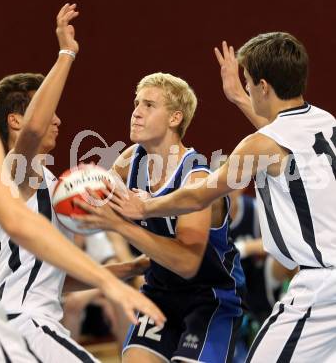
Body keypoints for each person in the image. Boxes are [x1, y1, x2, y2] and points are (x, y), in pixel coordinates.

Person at [80, 33, 336, 362]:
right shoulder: (323, 121)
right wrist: (238, 98)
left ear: (263, 87)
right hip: (319, 277)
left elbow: (200, 196)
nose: (137, 112)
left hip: (319, 282)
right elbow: (279, 136)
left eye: (247, 83)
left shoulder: (251, 148)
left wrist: (145, 206)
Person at [0, 3, 164, 362]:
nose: (58, 119)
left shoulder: (46, 183)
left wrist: (129, 269)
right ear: (14, 121)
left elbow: (56, 281)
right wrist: (66, 53)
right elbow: (36, 127)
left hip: (27, 321)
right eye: (47, 108)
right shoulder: (14, 173)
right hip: (21, 324)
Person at [74, 72, 245, 362]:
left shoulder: (196, 177)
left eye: (149, 106)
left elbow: (187, 263)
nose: (136, 113)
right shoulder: (130, 160)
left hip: (209, 299)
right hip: (160, 293)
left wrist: (118, 226)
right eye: (136, 103)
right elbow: (97, 209)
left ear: (175, 118)